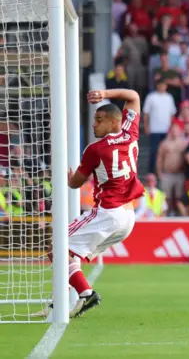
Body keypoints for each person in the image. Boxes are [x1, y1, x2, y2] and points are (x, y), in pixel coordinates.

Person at [35, 88, 143, 318]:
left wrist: (67, 176)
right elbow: (133, 96)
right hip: (127, 218)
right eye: (94, 119)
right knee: (69, 253)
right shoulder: (131, 132)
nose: (94, 125)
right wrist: (105, 93)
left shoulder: (95, 150)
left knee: (57, 247)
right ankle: (58, 304)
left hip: (108, 213)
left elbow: (75, 184)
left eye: (100, 120)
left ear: (115, 122)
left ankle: (85, 294)